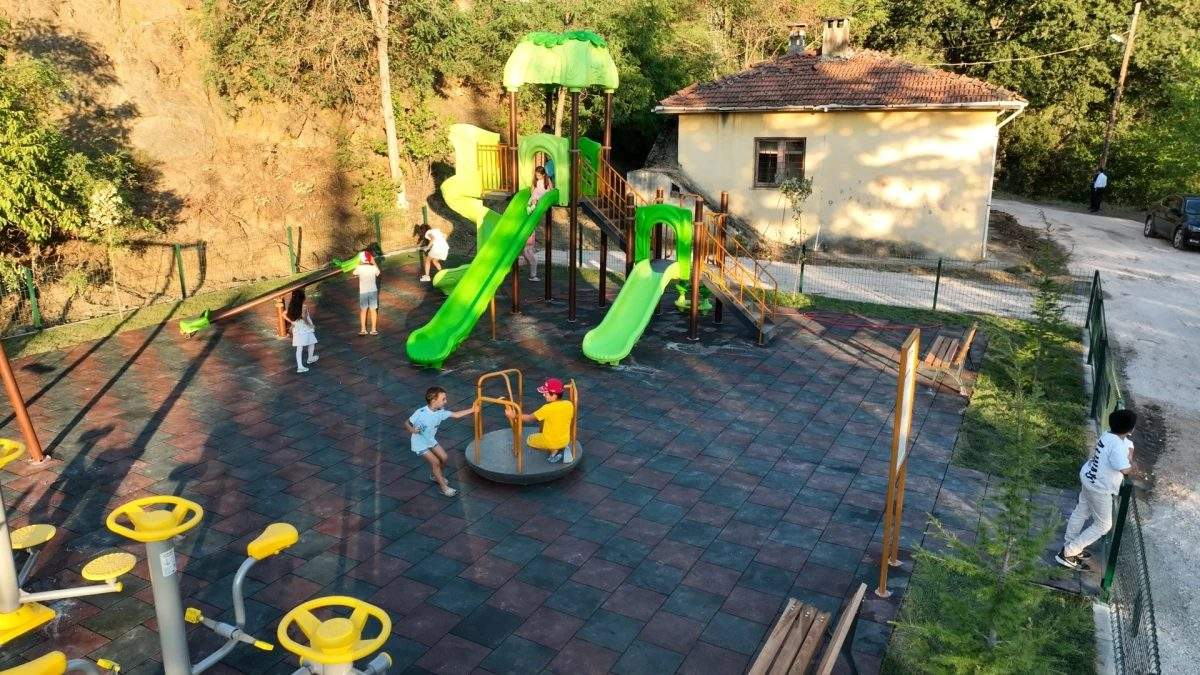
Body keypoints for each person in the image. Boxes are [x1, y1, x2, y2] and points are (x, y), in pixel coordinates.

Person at [1056, 409, 1136, 569]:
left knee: (1081, 512)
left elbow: (1127, 446)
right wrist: (1133, 465)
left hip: (1089, 478)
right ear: (1130, 429)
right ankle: (1069, 552)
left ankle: (1070, 544)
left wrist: (1129, 451)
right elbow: (1125, 469)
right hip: (1099, 488)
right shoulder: (1118, 447)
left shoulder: (1108, 435)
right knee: (1103, 525)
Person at [405, 387, 475, 497]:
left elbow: (456, 415)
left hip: (430, 440)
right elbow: (407, 423)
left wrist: (472, 410)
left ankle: (436, 476)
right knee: (436, 462)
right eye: (443, 399)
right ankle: (444, 488)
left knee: (444, 457)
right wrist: (412, 430)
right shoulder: (420, 413)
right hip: (419, 443)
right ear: (434, 401)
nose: (446, 401)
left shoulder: (440, 412)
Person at [505, 377, 574, 464]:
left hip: (550, 442)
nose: (543, 395)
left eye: (546, 393)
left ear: (554, 395)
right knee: (552, 426)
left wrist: (514, 416)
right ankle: (560, 448)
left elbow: (529, 418)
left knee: (529, 439)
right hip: (565, 440)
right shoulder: (569, 404)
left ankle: (555, 451)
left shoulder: (547, 408)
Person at [284, 288, 318, 373]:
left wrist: (292, 322)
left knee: (301, 347)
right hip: (305, 328)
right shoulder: (304, 307)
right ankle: (302, 365)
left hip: (297, 329)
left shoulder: (292, 307)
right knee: (311, 342)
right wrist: (311, 325)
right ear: (302, 298)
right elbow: (305, 318)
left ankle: (305, 362)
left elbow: (283, 314)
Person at [353, 250, 380, 335]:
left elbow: (354, 273)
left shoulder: (359, 268)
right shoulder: (373, 268)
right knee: (373, 310)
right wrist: (374, 262)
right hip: (373, 291)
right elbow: (378, 273)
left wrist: (358, 263)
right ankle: (373, 329)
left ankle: (363, 329)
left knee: (363, 310)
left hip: (363, 292)